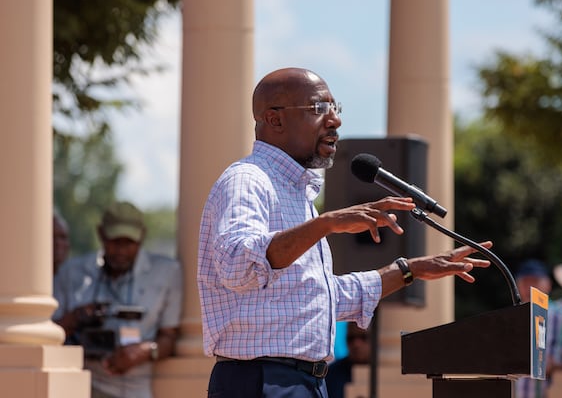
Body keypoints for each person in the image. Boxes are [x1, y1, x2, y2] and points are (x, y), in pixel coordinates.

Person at [196, 67, 493, 398]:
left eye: (336, 109)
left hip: (305, 382)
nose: (334, 120)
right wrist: (326, 224)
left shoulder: (296, 195)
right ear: (275, 120)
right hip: (263, 381)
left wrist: (410, 270)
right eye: (319, 109)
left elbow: (318, 298)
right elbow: (239, 265)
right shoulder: (248, 181)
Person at [53, 201, 183, 398]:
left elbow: (170, 335)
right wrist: (77, 318)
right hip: (79, 385)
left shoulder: (166, 273)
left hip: (134, 390)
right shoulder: (73, 273)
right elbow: (49, 333)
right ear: (101, 234)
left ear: (142, 237)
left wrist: (143, 351)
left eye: (128, 242)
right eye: (114, 241)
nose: (121, 250)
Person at [514, 258, 562, 398]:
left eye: (535, 281)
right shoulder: (510, 319)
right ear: (518, 285)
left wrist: (554, 366)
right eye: (525, 282)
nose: (530, 287)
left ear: (547, 284)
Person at [326, 322, 371, 398]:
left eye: (363, 337)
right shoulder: (331, 374)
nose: (356, 344)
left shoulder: (387, 372)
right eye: (351, 338)